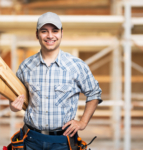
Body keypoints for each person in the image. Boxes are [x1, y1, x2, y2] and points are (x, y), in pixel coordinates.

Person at [9, 12, 102, 150]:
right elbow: (14, 98)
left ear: (61, 33)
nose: (50, 36)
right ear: (37, 34)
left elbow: (94, 93)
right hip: (31, 140)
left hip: (63, 142)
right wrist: (13, 106)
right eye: (44, 31)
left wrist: (82, 122)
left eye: (55, 31)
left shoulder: (76, 65)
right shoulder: (26, 66)